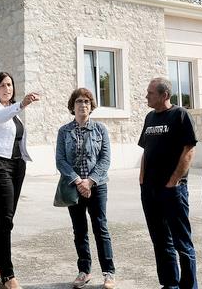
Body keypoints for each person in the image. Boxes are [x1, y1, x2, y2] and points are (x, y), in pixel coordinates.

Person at [0, 72, 39, 289]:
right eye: (2, 85)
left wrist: (18, 106)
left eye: (10, 85)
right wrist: (22, 104)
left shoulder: (13, 111)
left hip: (17, 165)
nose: (7, 88)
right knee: (5, 219)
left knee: (5, 219)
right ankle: (8, 274)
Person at [139, 77, 198, 289]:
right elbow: (146, 150)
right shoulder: (149, 118)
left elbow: (189, 150)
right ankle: (169, 284)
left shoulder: (180, 115)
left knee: (182, 242)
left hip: (173, 190)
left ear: (164, 95)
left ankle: (189, 286)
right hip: (150, 190)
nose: (147, 96)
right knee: (160, 241)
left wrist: (174, 181)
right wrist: (142, 179)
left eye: (150, 93)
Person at [55, 88, 116, 289]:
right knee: (79, 230)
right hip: (74, 187)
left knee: (101, 228)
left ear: (91, 106)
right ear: (73, 106)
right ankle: (84, 271)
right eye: (79, 101)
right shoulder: (64, 131)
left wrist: (90, 181)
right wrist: (78, 181)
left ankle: (109, 273)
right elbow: (61, 160)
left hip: (97, 187)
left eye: (87, 102)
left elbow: (105, 159)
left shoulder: (100, 130)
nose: (83, 105)